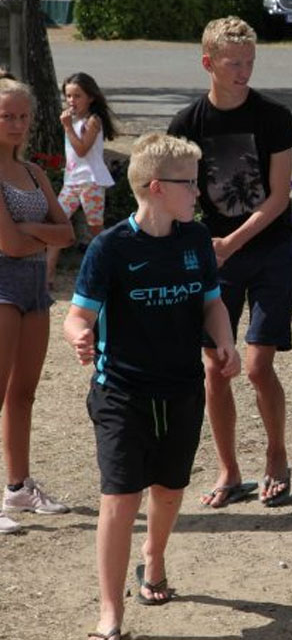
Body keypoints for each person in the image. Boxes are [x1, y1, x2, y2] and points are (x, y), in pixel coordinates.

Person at [64, 133, 241, 640]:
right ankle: (110, 615)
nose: (200, 194)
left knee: (169, 490)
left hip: (182, 388)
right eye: (191, 184)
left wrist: (224, 340)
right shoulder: (110, 248)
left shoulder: (194, 240)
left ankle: (154, 557)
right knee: (120, 498)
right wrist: (79, 337)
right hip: (122, 391)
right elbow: (77, 316)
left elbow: (212, 303)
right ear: (158, 188)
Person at [168, 16, 292, 509]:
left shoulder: (274, 116)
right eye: (234, 63)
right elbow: (174, 190)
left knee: (257, 365)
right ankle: (229, 469)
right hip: (215, 256)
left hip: (269, 252)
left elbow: (280, 197)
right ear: (209, 63)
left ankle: (277, 455)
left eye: (249, 62)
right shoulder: (188, 124)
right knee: (217, 366)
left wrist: (231, 241)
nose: (244, 71)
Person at [0, 78, 75, 535]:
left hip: (33, 286)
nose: (16, 124)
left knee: (23, 394)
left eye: (23, 116)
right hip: (3, 283)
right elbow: (7, 243)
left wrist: (31, 228)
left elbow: (67, 233)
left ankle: (18, 486)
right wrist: (37, 230)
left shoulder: (33, 173)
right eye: (7, 115)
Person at [46, 72, 118, 286]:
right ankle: (48, 276)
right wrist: (69, 125)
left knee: (95, 228)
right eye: (68, 96)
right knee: (57, 225)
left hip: (91, 181)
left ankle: (112, 269)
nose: (71, 101)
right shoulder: (74, 119)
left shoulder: (92, 121)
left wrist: (67, 127)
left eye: (77, 96)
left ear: (90, 98)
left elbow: (82, 149)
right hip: (72, 181)